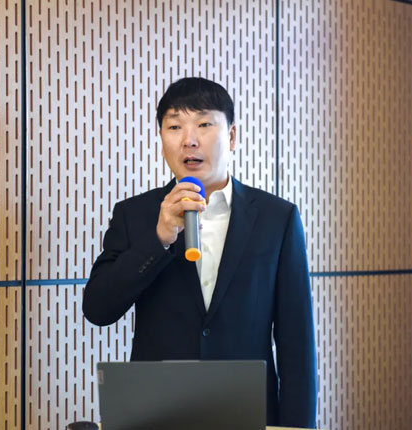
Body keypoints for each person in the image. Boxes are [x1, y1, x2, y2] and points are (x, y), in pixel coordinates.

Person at [83, 77, 317, 428]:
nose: (189, 140)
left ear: (232, 137)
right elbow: (98, 308)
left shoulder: (276, 218)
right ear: (162, 139)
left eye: (204, 124)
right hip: (155, 412)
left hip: (246, 411)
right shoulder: (135, 215)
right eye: (175, 126)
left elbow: (296, 345)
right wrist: (159, 238)